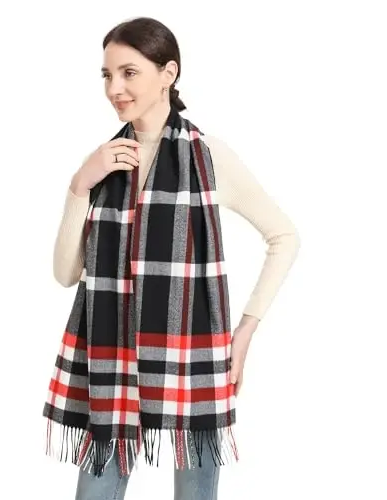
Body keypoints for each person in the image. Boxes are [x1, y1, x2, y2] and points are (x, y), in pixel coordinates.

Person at [43, 16, 300, 500]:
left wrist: (244, 332)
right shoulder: (105, 161)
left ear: (168, 73)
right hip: (111, 355)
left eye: (129, 73)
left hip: (193, 354)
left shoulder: (207, 156)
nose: (114, 88)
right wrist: (80, 184)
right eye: (107, 75)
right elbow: (65, 274)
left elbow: (284, 236)